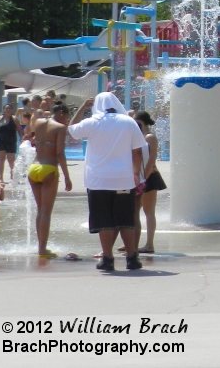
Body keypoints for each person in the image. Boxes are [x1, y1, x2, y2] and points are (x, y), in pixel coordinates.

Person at [67, 93, 146, 272]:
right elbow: (137, 152)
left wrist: (83, 108)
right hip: (124, 179)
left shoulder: (93, 122)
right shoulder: (128, 122)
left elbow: (71, 129)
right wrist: (135, 174)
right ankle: (132, 258)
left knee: (104, 220)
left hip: (98, 180)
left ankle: (108, 258)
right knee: (126, 219)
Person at [28, 101, 73, 257]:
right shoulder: (60, 128)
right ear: (61, 112)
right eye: (66, 117)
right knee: (46, 212)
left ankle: (40, 247)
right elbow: (60, 153)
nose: (66, 121)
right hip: (49, 169)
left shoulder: (39, 122)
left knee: (40, 211)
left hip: (34, 168)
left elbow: (30, 136)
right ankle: (42, 250)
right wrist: (67, 177)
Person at [133, 112, 164, 254]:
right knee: (134, 211)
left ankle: (149, 244)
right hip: (138, 178)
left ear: (140, 121)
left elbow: (152, 160)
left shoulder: (150, 137)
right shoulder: (137, 136)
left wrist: (143, 179)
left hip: (149, 177)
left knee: (148, 211)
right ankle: (133, 242)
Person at [0, 103, 18, 181]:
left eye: (9, 108)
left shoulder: (14, 119)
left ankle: (12, 172)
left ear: (12, 110)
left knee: (11, 159)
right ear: (3, 110)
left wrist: (22, 138)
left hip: (11, 141)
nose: (8, 110)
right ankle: (1, 177)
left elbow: (19, 130)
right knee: (1, 159)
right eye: (6, 108)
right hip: (0, 141)